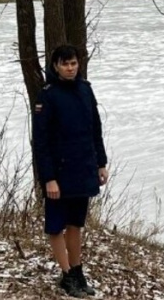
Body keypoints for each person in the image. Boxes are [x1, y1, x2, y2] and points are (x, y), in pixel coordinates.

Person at [33, 45, 110, 298]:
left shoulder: (85, 90)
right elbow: (41, 141)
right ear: (55, 66)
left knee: (76, 224)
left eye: (73, 63)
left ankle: (77, 272)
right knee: (56, 227)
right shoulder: (48, 95)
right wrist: (49, 179)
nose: (70, 68)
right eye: (65, 64)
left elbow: (95, 130)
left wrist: (101, 162)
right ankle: (66, 274)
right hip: (59, 174)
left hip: (83, 169)